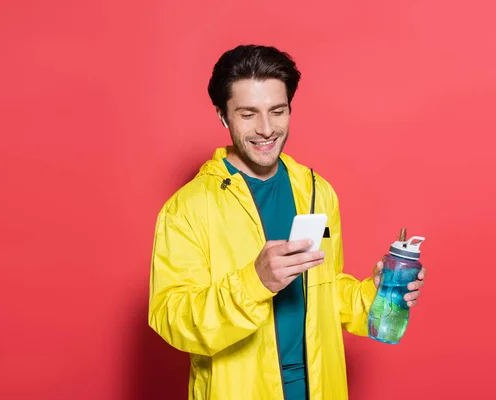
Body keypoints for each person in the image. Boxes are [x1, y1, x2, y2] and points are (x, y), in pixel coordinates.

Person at [147, 44, 426, 400]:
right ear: (222, 116)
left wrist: (374, 294)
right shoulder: (186, 208)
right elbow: (173, 319)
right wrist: (255, 282)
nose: (266, 129)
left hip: (320, 389)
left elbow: (326, 290)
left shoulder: (316, 191)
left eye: (277, 112)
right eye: (248, 115)